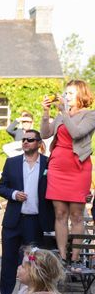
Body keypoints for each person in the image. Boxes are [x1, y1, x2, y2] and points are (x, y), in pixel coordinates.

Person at [0, 129, 54, 294]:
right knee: (9, 261)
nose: (25, 142)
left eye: (30, 139)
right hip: (14, 219)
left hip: (36, 221)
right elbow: (1, 187)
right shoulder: (11, 163)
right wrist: (13, 194)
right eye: (24, 139)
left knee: (33, 263)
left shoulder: (48, 163)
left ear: (38, 143)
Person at [41, 80, 95, 270]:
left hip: (78, 167)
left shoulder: (90, 114)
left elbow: (77, 133)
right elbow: (45, 134)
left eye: (71, 93)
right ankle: (62, 257)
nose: (67, 96)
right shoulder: (61, 114)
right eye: (66, 92)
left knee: (77, 215)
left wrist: (64, 112)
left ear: (81, 94)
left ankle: (76, 257)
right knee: (60, 213)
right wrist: (46, 113)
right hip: (57, 167)